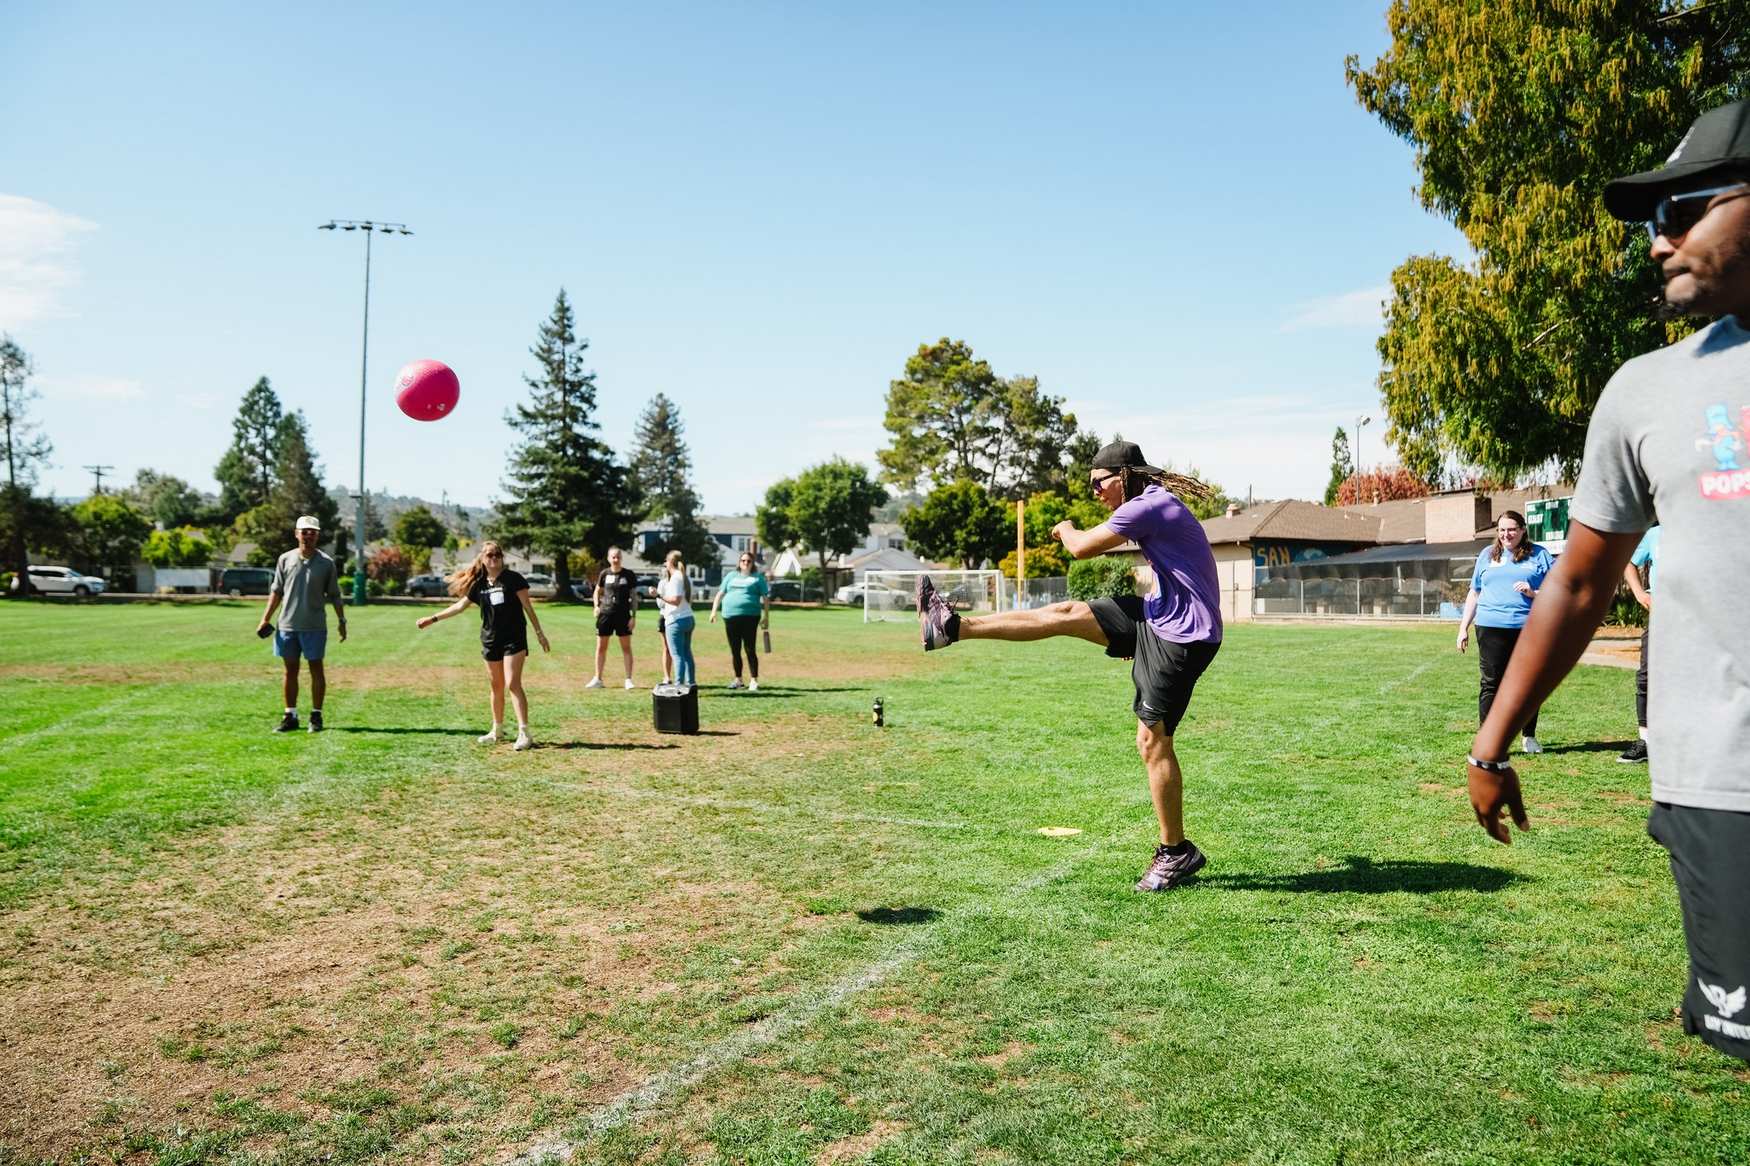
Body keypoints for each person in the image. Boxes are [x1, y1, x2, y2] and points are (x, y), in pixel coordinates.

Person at [1466, 98, 1750, 1062]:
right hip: (1727, 782)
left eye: (1688, 210)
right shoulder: (1646, 390)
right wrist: (1491, 744)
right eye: (1650, 221)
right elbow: (1582, 586)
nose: (1659, 240)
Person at [917, 441, 1222, 893]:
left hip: (1184, 636)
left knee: (1151, 740)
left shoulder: (1148, 507)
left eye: (1099, 482)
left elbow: (1081, 548)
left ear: (1124, 475)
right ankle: (952, 627)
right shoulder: (1151, 505)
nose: (1095, 491)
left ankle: (1176, 852)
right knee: (1066, 614)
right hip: (1156, 618)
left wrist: (1066, 527)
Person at [415, 540, 549, 750]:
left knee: (513, 683)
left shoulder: (514, 579)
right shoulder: (479, 584)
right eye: (489, 555)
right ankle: (497, 729)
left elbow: (528, 608)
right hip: (490, 640)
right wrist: (432, 619)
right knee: (496, 686)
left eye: (497, 554)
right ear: (483, 559)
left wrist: (540, 633)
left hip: (514, 638)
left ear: (502, 557)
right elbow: (459, 606)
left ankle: (524, 733)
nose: (494, 558)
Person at [1455, 511, 1554, 754]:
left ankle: (1528, 736)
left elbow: (1560, 589)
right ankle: (1489, 740)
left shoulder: (1539, 555)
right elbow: (1474, 593)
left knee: (1528, 683)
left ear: (1522, 530)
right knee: (1491, 684)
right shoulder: (1487, 555)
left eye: (1511, 529)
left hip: (1528, 628)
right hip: (1490, 627)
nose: (1505, 534)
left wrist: (1534, 593)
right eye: (1501, 530)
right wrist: (1463, 627)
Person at [255, 515, 346, 733]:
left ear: (318, 535)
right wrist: (265, 618)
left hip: (314, 626)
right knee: (290, 671)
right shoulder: (284, 559)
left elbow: (334, 594)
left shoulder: (326, 563)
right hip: (287, 625)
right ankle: (290, 715)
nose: (308, 535)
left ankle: (316, 716)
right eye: (304, 531)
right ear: (296, 534)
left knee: (316, 670)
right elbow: (276, 591)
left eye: (312, 532)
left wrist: (342, 620)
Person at [1618, 525, 1660, 764]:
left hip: (1697, 613)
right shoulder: (1655, 535)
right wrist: (1640, 593)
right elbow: (1629, 562)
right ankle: (1645, 742)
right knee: (1646, 675)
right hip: (1660, 612)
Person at [709, 550, 770, 690]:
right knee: (735, 650)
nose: (746, 563)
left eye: (748, 561)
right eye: (743, 560)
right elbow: (720, 593)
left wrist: (766, 617)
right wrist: (713, 611)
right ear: (739, 562)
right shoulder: (731, 576)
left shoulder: (758, 578)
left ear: (752, 563)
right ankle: (738, 680)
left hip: (750, 617)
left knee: (750, 649)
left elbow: (766, 598)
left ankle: (754, 680)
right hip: (730, 616)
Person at [587, 547, 639, 690]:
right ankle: (598, 678)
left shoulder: (628, 575)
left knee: (626, 648)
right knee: (601, 647)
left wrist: (633, 616)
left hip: (623, 616)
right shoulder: (604, 574)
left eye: (618, 557)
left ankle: (628, 679)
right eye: (613, 557)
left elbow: (634, 597)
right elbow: (597, 591)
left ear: (621, 558)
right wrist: (596, 606)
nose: (616, 560)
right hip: (605, 614)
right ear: (609, 558)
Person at [657, 549, 696, 688]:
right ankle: (691, 683)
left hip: (676, 620)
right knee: (686, 653)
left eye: (666, 561)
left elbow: (676, 600)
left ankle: (679, 685)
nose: (665, 564)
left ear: (670, 562)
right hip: (688, 618)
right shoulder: (685, 576)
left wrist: (659, 595)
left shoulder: (676, 578)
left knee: (677, 655)